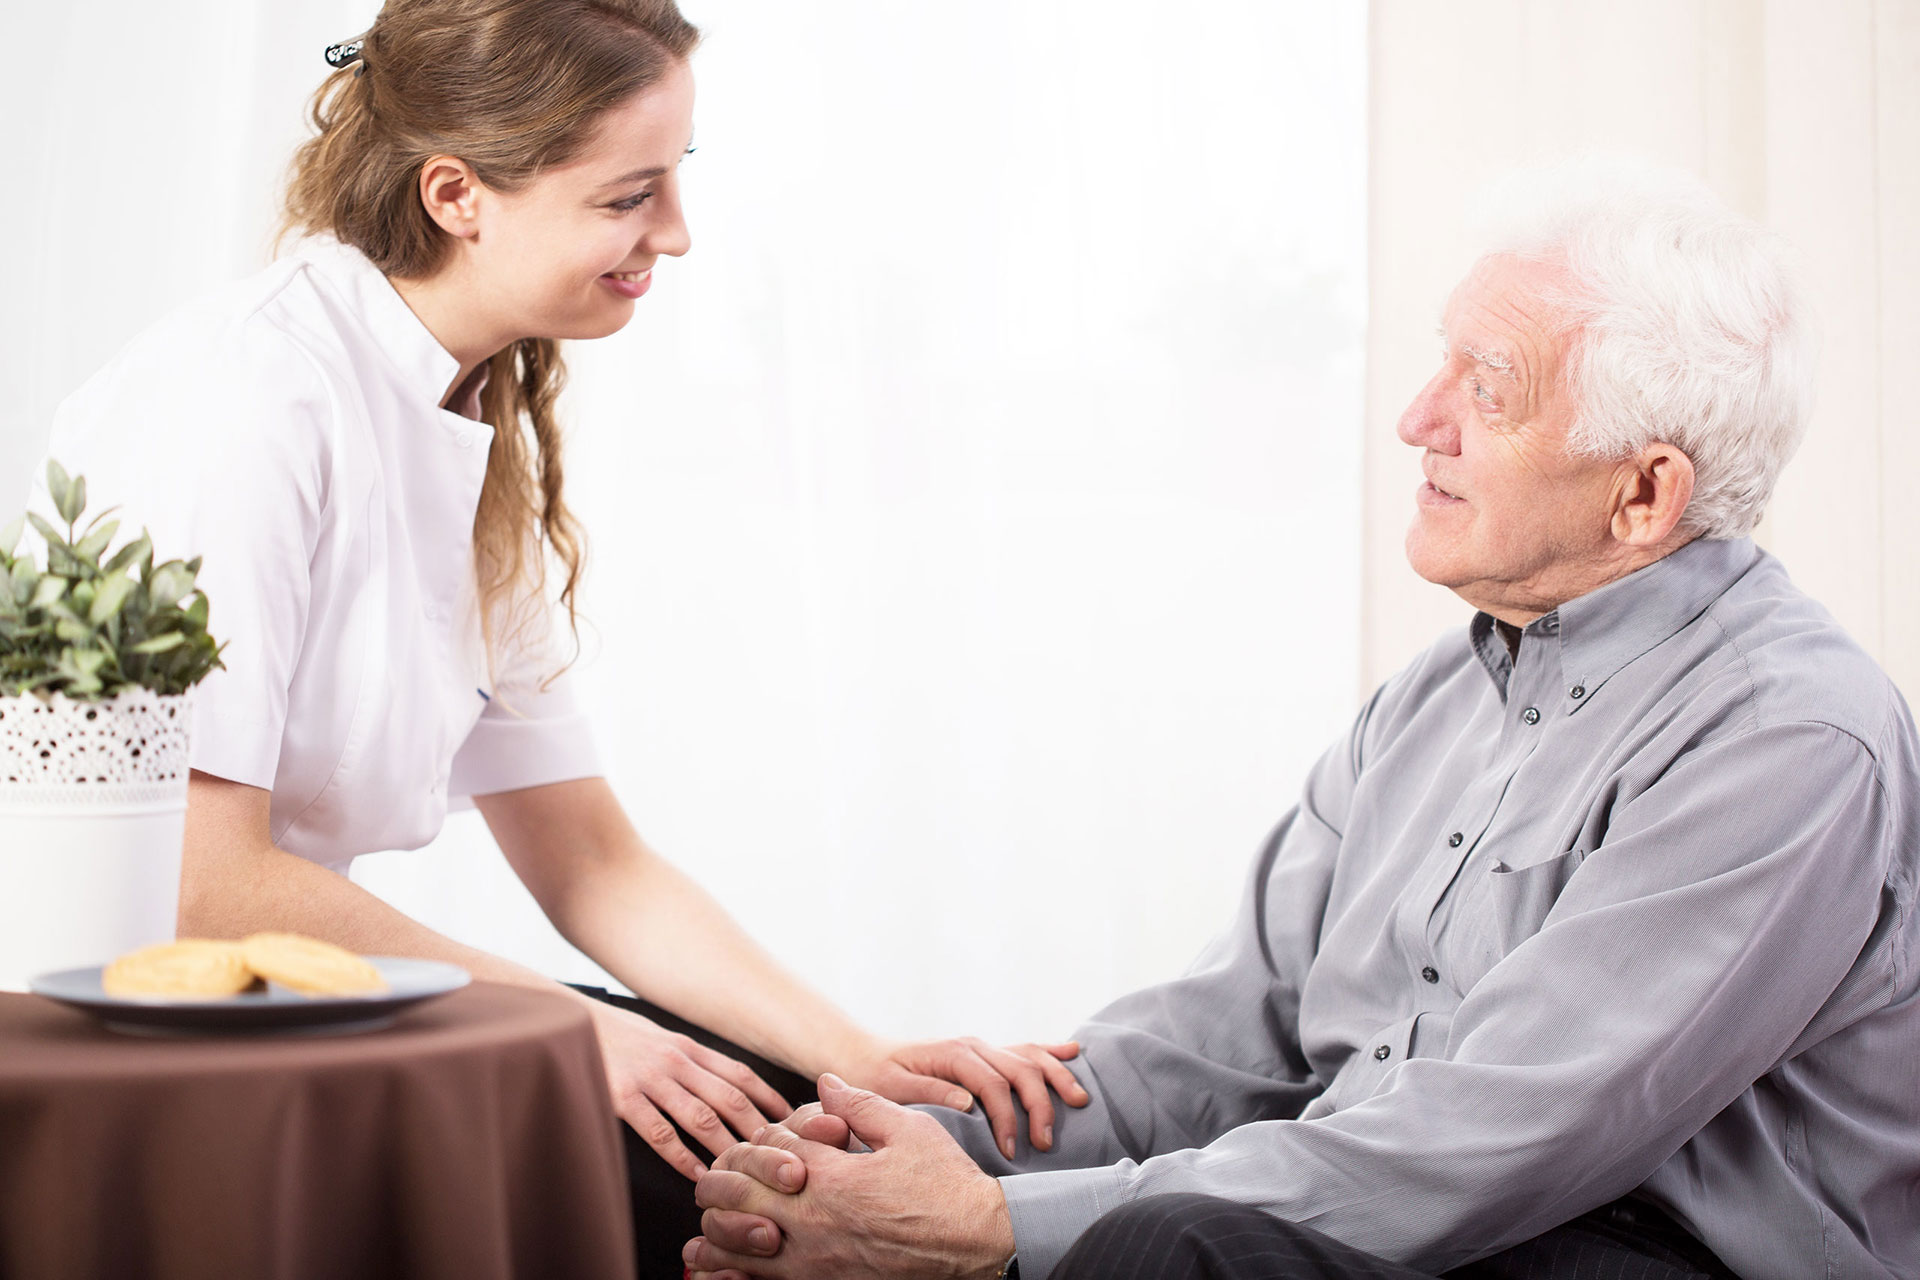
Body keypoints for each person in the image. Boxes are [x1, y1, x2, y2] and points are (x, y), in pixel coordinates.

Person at [679, 166, 1920, 1280]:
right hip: (1416, 1213)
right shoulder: (1440, 693)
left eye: (1488, 389)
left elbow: (1498, 1137)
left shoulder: (1788, 738)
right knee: (746, 1151)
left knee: (1165, 1246)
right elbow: (1228, 1039)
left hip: (1644, 1245)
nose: (1417, 419)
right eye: (1443, 361)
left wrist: (992, 1226)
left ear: (1645, 493)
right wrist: (888, 1161)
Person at [40, 1, 1087, 1273]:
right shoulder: (246, 405)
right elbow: (204, 883)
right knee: (753, 1194)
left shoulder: (460, 410)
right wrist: (570, 1033)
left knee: (810, 1133)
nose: (677, 234)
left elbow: (591, 861)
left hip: (288, 994)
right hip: (135, 1012)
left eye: (675, 180)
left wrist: (854, 1053)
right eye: (628, 196)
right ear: (457, 194)